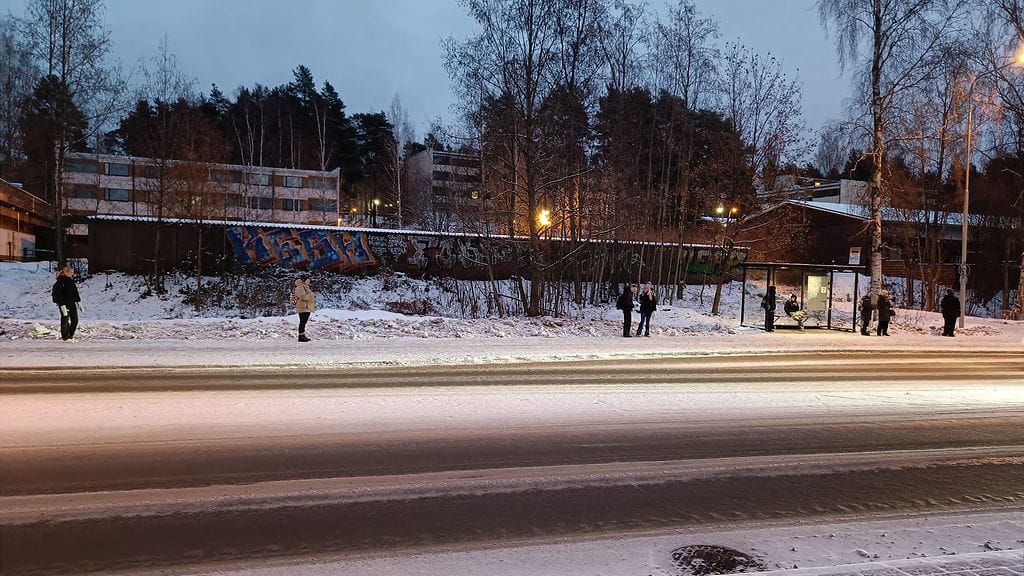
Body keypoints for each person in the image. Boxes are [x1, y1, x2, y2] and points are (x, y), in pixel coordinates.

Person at [51, 265, 82, 341]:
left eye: (72, 272)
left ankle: (70, 335)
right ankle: (65, 336)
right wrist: (61, 304)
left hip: (72, 303)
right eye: (71, 272)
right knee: (65, 319)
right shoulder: (60, 282)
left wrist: (78, 301)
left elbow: (75, 292)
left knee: (75, 320)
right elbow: (57, 294)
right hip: (64, 304)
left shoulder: (71, 281)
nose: (72, 273)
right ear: (65, 272)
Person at [291, 274, 316, 342]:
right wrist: (311, 296)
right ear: (304, 280)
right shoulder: (300, 287)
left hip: (306, 307)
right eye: (308, 279)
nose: (309, 281)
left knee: (304, 322)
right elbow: (303, 296)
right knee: (302, 322)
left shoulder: (305, 287)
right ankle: (301, 336)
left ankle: (302, 335)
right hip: (302, 307)